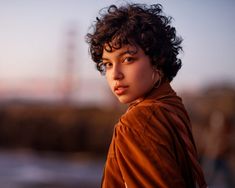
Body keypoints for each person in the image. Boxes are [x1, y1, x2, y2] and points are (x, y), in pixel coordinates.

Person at [86, 3, 207, 188]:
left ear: (158, 60)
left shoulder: (137, 122)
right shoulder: (172, 105)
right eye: (108, 64)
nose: (115, 75)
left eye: (128, 59)